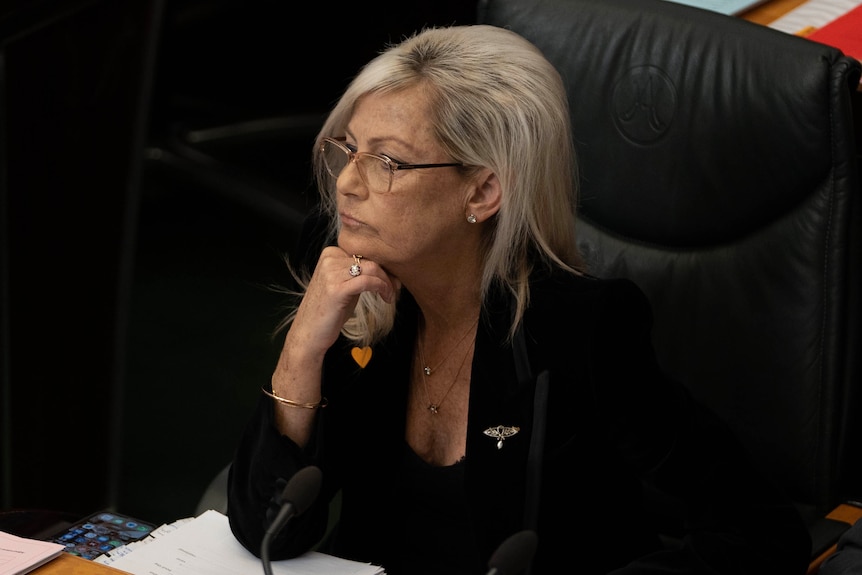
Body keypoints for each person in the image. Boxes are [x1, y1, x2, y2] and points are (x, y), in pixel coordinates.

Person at [226, 24, 811, 574]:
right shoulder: (351, 277)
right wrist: (301, 352)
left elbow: (759, 531)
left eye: (387, 162)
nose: (347, 183)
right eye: (347, 149)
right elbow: (271, 529)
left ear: (483, 190)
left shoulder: (580, 330)